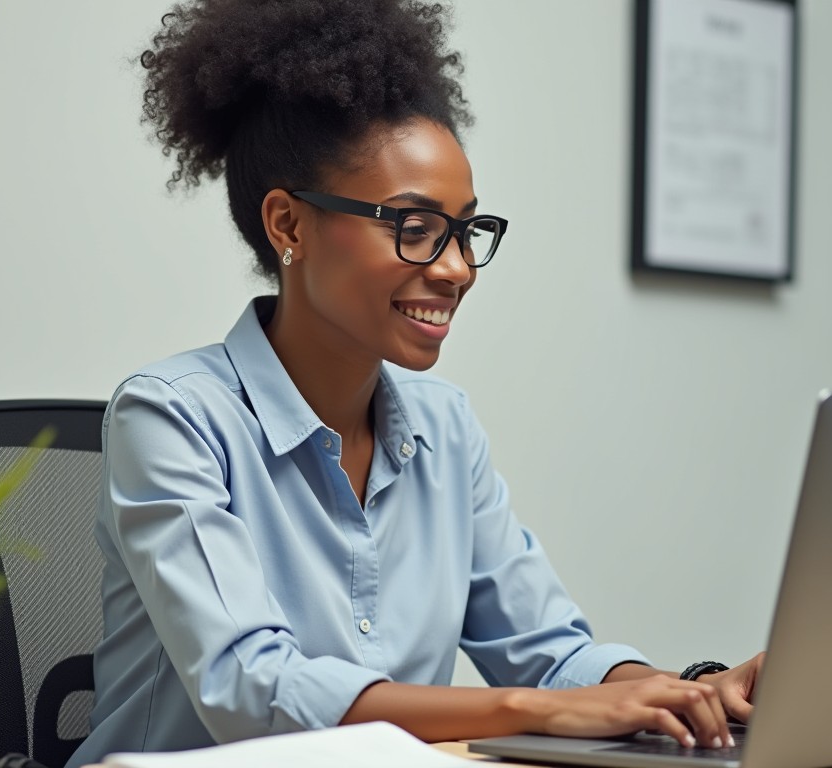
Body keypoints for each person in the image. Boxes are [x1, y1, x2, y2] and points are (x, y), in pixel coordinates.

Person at [68, 1, 763, 765]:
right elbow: (252, 689)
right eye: (415, 226)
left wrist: (688, 692)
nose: (457, 267)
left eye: (466, 230)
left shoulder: (445, 428)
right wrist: (544, 710)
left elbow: (549, 654)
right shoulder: (170, 417)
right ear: (288, 226)